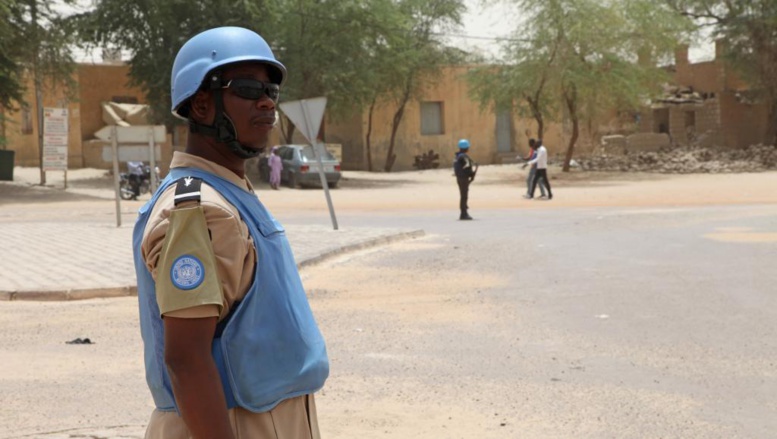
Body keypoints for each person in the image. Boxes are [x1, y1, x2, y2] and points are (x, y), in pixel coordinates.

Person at [132, 27, 329, 439]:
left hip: (269, 415)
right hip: (235, 423)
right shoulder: (198, 209)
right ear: (202, 105)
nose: (266, 102)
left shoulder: (229, 191)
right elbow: (186, 359)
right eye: (246, 88)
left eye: (270, 91)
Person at [453, 138, 477, 220]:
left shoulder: (458, 156)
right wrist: (471, 174)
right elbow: (467, 167)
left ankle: (464, 212)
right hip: (463, 178)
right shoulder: (464, 156)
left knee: (463, 195)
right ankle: (463, 213)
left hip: (459, 178)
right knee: (464, 196)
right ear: (466, 148)